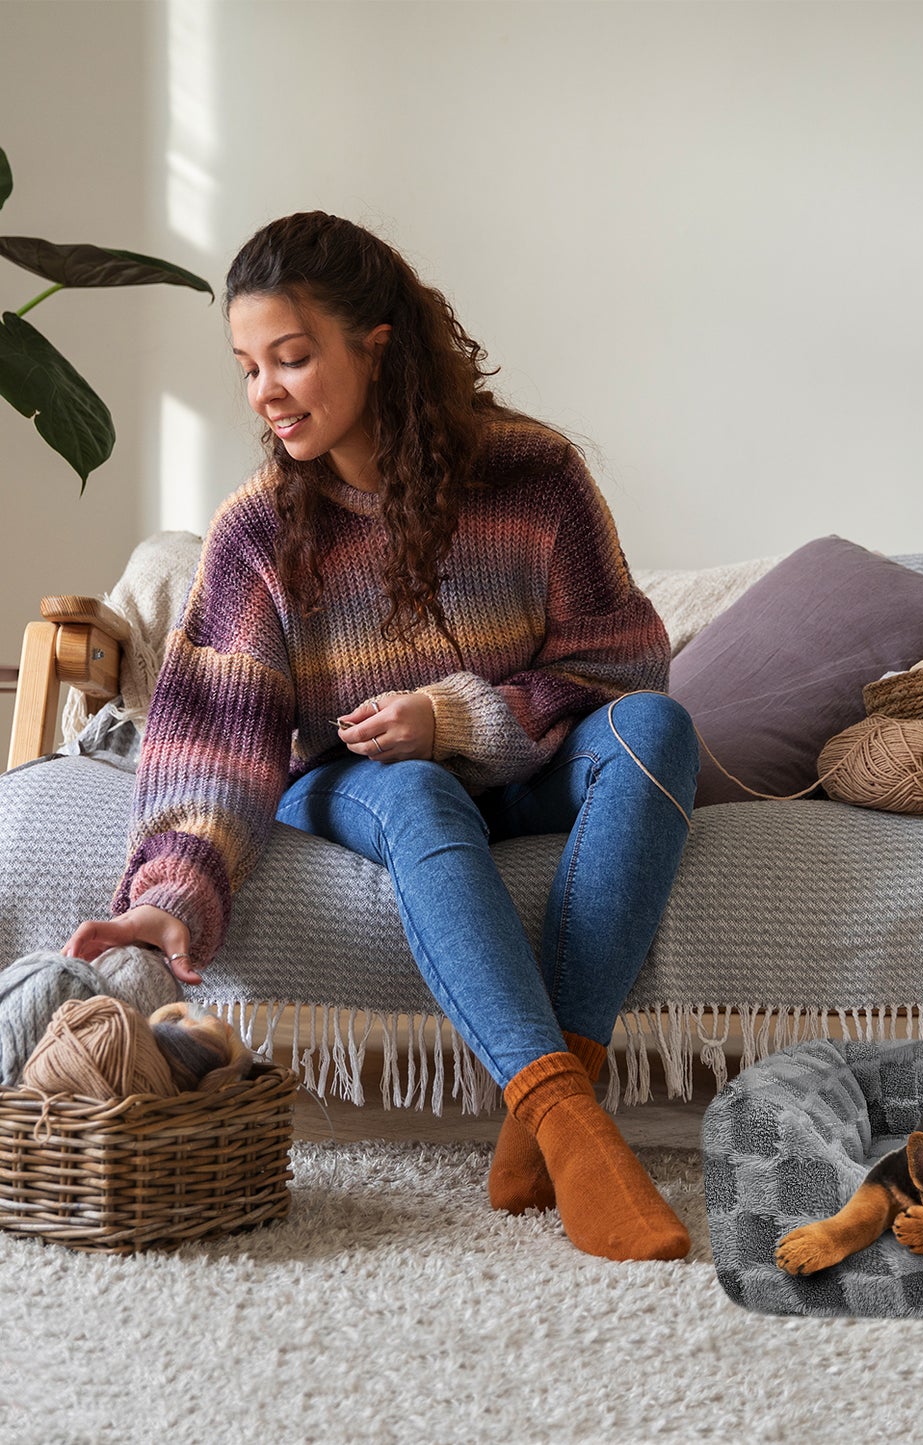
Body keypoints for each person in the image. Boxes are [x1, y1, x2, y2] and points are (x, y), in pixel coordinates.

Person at [64, 211, 699, 1263]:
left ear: (377, 345)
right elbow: (216, 738)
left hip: (520, 759)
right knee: (414, 790)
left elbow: (625, 662)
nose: (266, 391)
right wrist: (169, 894)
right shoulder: (257, 530)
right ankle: (568, 1119)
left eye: (293, 357)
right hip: (350, 781)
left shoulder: (533, 477)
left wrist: (453, 715)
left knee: (656, 728)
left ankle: (554, 1099)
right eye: (247, 367)